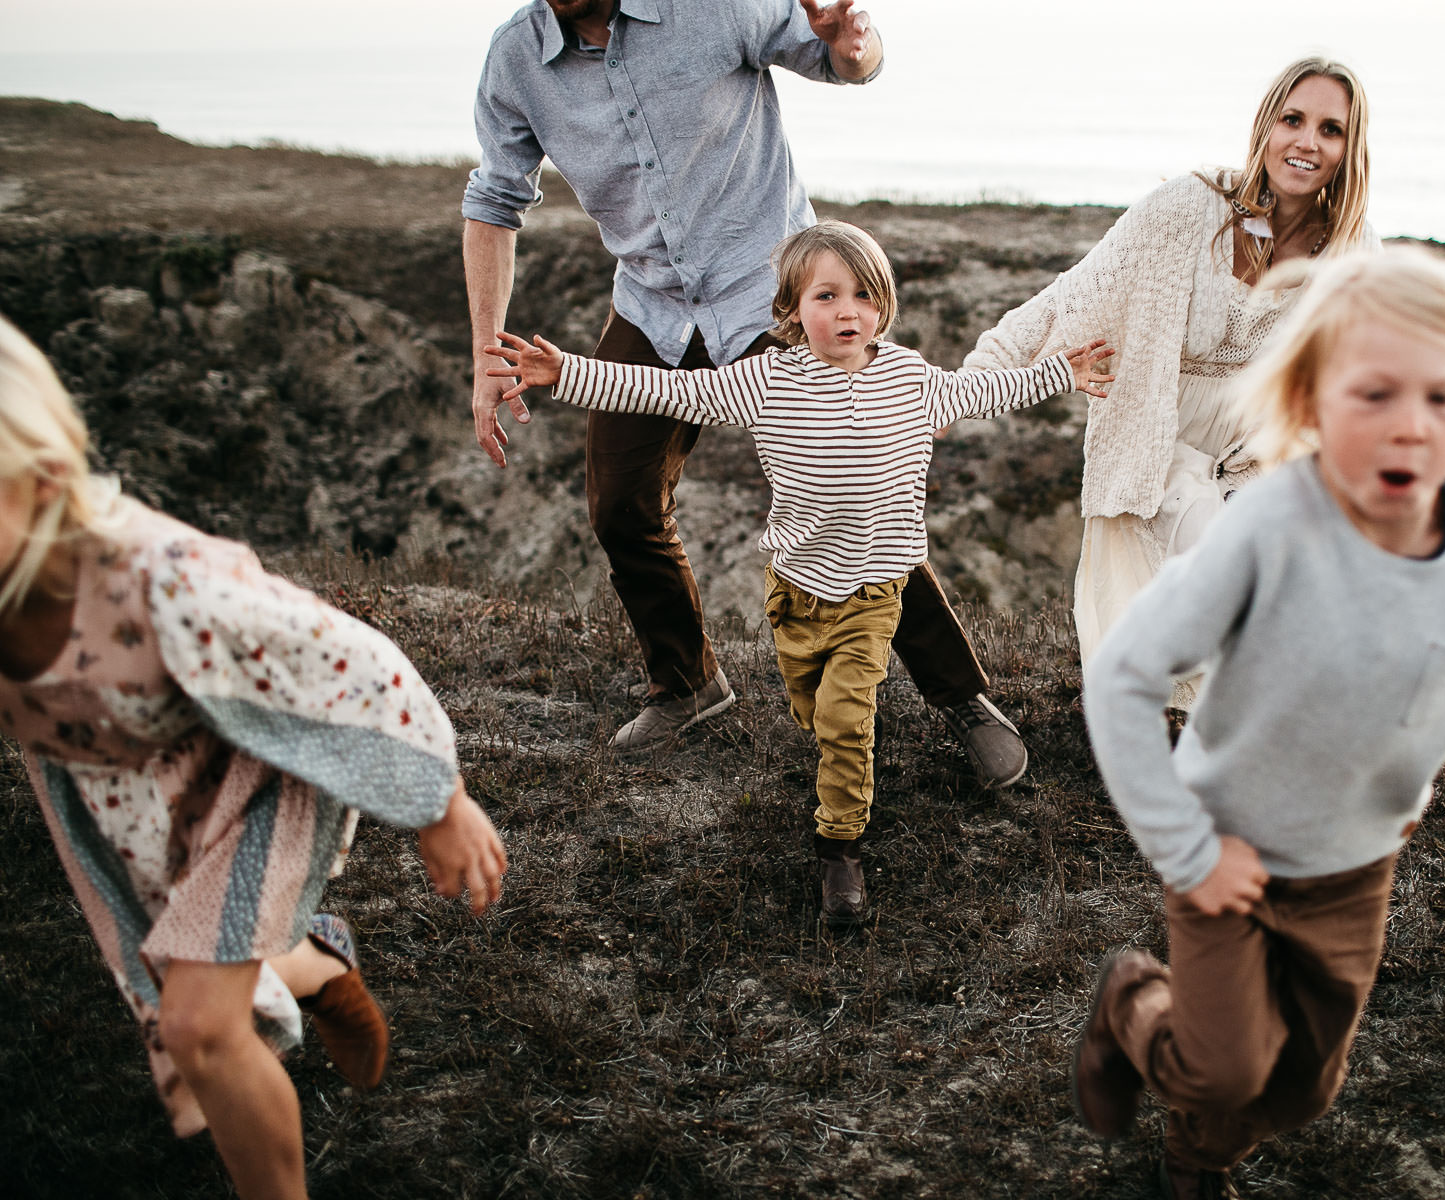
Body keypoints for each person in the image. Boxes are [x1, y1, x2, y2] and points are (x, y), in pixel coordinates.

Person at [1070, 250, 1445, 1199]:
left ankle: (1203, 1143)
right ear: (1313, 403)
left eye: (1443, 398)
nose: (1411, 426)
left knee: (1303, 1089)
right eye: (1373, 395)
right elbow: (1123, 673)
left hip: (1354, 868)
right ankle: (1131, 1006)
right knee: (1224, 1067)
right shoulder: (1270, 526)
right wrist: (1186, 847)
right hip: (1223, 846)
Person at [463, 0, 1034, 787]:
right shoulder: (517, 58)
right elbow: (494, 200)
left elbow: (843, 59)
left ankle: (962, 698)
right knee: (619, 502)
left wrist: (852, 45)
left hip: (767, 290)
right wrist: (485, 353)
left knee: (853, 494)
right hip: (653, 304)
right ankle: (690, 683)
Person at [0, 317, 508, 1200]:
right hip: (127, 806)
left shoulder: (163, 578)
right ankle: (314, 964)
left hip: (255, 786)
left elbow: (352, 663)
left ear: (40, 485)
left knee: (198, 1026)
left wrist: (439, 802)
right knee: (179, 969)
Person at [483, 220, 1113, 925]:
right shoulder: (766, 381)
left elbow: (987, 391)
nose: (848, 311)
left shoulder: (910, 380)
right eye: (827, 295)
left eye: (864, 296)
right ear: (789, 310)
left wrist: (1064, 373)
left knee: (847, 719)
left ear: (885, 305)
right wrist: (565, 370)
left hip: (877, 591)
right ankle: (831, 748)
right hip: (796, 595)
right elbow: (667, 393)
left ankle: (838, 848)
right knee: (814, 709)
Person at [965, 57, 1379, 703]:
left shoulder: (1351, 254)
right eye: (1293, 119)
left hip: (1255, 460)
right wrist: (975, 381)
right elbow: (1076, 294)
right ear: (1266, 123)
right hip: (1154, 440)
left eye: (1331, 129)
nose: (1306, 141)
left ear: (1349, 150)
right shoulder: (1192, 208)